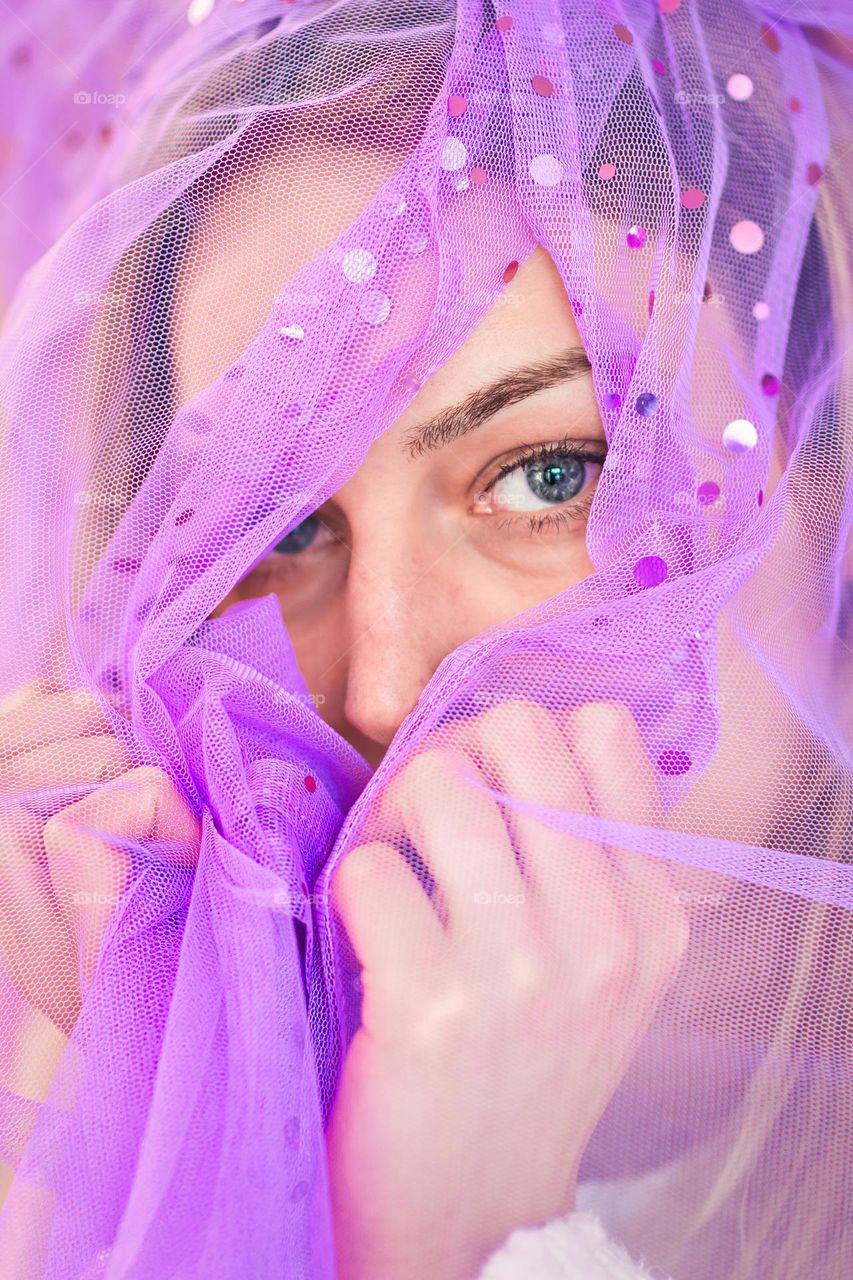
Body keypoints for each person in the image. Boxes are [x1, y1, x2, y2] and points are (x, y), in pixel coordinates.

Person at [0, 2, 850, 1278]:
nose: (381, 683)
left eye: (554, 475)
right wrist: (182, 1105)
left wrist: (468, 1244)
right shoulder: (96, 965)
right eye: (271, 523)